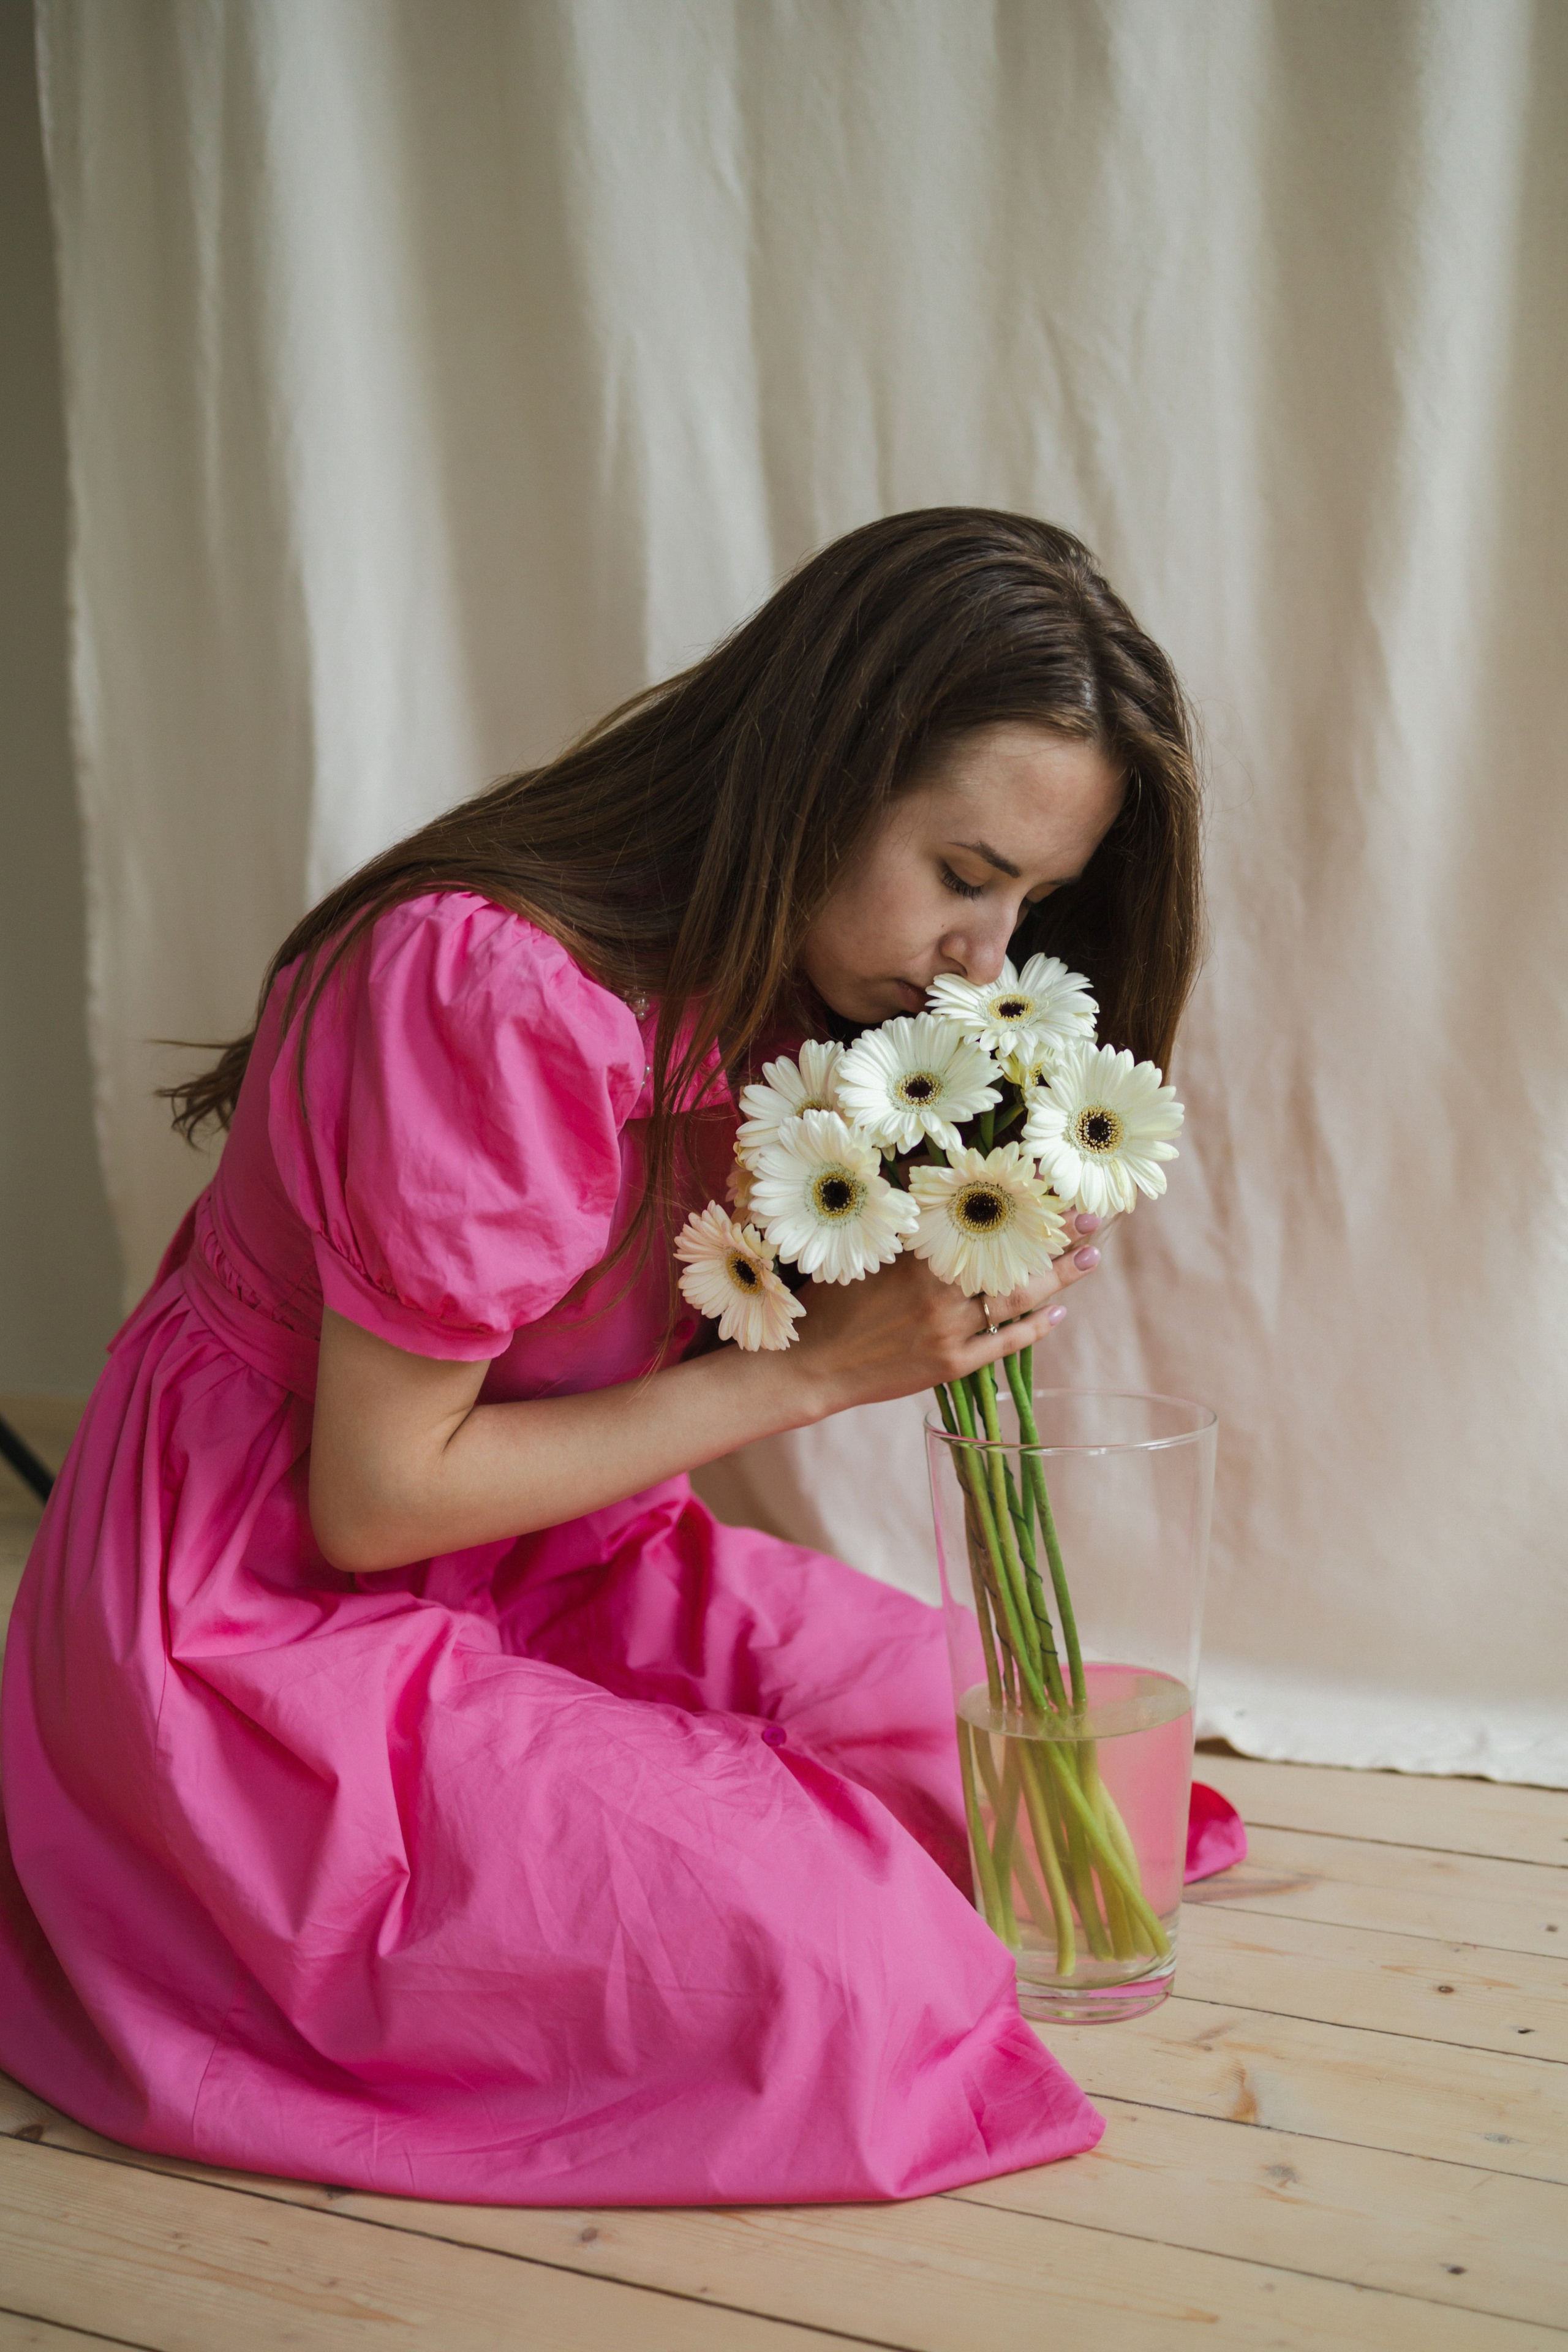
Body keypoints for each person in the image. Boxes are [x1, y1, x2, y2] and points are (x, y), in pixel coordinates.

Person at [0, 510, 1204, 2204]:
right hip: (265, 1622)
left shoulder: (807, 996)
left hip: (550, 1560)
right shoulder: (494, 989)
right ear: (820, 773)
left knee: (1026, 1772)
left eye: (1029, 903)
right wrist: (815, 1370)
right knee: (861, 1975)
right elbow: (371, 1501)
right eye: (963, 876)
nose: (986, 962)